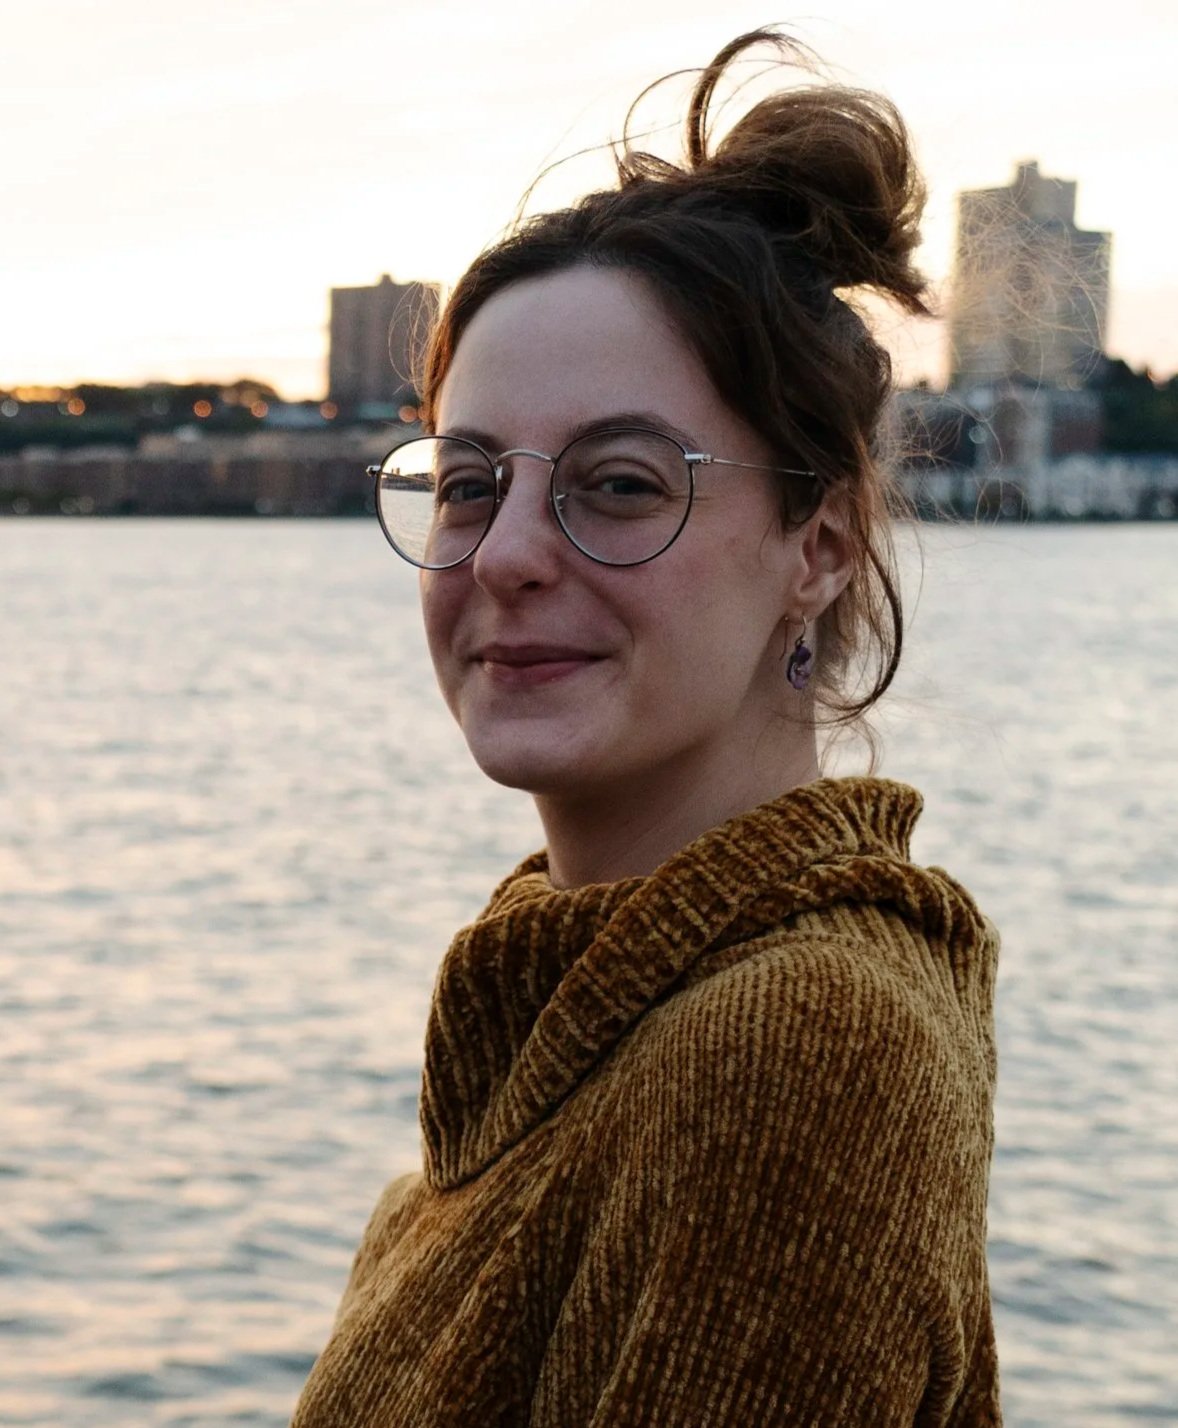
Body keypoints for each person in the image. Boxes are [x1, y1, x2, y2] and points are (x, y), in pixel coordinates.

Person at [293, 28, 1001, 1426]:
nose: (502, 553)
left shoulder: (796, 1048)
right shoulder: (574, 1026)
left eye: (617, 485)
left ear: (818, 544)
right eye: (467, 482)